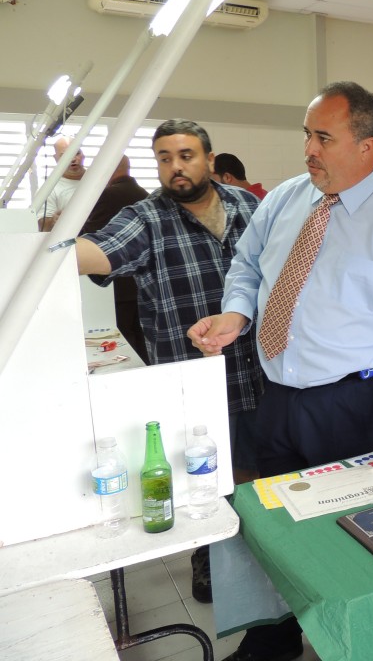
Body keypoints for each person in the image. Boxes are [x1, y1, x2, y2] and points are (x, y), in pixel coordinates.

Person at [187, 82, 373, 661]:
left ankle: (353, 645)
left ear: (366, 146)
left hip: (355, 405)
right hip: (277, 395)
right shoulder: (285, 198)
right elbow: (248, 265)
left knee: (358, 533)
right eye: (307, 134)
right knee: (278, 530)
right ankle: (275, 639)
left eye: (323, 137)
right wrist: (237, 313)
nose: (308, 148)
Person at [75, 119, 262, 607]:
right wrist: (43, 249)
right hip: (193, 384)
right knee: (204, 482)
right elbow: (96, 253)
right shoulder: (146, 219)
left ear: (209, 158)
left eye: (185, 155)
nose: (175, 168)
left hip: (260, 375)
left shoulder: (249, 207)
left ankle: (268, 563)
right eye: (164, 158)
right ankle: (206, 558)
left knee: (261, 481)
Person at [80, 155, 150, 362]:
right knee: (142, 337)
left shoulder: (106, 196)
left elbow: (92, 236)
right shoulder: (145, 195)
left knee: (125, 339)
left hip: (120, 284)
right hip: (144, 282)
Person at [39, 135, 86, 231]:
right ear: (56, 159)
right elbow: (42, 225)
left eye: (77, 153)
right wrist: (53, 220)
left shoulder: (100, 179)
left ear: (83, 155)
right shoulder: (49, 189)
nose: (73, 159)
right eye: (65, 155)